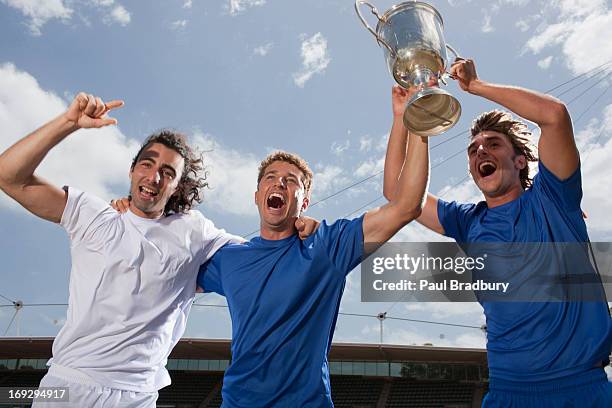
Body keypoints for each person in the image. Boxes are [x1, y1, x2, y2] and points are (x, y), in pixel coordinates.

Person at [0, 93, 319, 407]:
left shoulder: (195, 231)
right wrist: (67, 122)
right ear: (132, 170)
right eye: (147, 164)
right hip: (66, 387)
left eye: (168, 173)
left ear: (178, 185)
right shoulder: (93, 215)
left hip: (137, 396)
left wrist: (301, 229)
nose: (154, 177)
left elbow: (264, 255)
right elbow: (10, 177)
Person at [383, 59, 612, 407]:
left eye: (493, 144)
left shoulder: (554, 199)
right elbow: (398, 194)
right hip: (508, 392)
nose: (480, 152)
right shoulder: (467, 222)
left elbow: (555, 115)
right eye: (473, 150)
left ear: (520, 160)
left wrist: (476, 86)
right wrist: (408, 118)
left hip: (580, 387)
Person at [195, 109, 429, 407]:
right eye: (271, 177)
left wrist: (419, 123)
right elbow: (164, 271)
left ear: (304, 202)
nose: (279, 183)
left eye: (291, 180)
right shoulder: (229, 260)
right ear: (257, 195)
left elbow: (407, 206)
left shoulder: (326, 246)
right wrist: (129, 213)